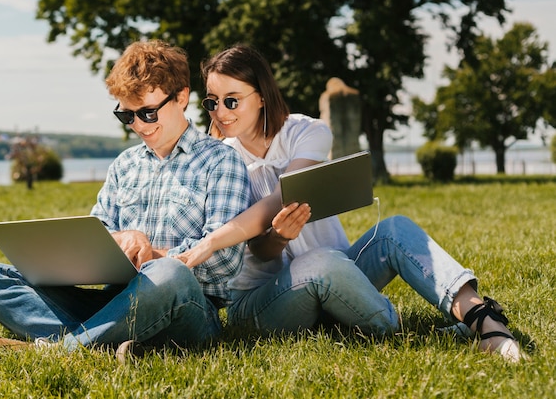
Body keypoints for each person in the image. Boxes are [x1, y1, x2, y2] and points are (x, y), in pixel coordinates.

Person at [176, 44, 524, 362]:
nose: (219, 112)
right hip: (264, 302)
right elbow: (262, 252)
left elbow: (285, 194)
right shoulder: (220, 159)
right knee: (320, 263)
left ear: (262, 96)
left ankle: (483, 320)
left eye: (231, 100)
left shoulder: (305, 132)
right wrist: (278, 237)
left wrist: (211, 241)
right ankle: (414, 333)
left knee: (394, 228)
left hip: (342, 272)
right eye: (211, 102)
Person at [0, 40, 251, 360]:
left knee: (169, 274)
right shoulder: (125, 165)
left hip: (186, 307)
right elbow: (98, 233)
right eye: (128, 116)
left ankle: (62, 349)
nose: (139, 125)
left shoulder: (221, 161)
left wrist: (152, 253)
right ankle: (119, 343)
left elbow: (227, 261)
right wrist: (111, 242)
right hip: (113, 303)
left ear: (181, 96)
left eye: (148, 112)